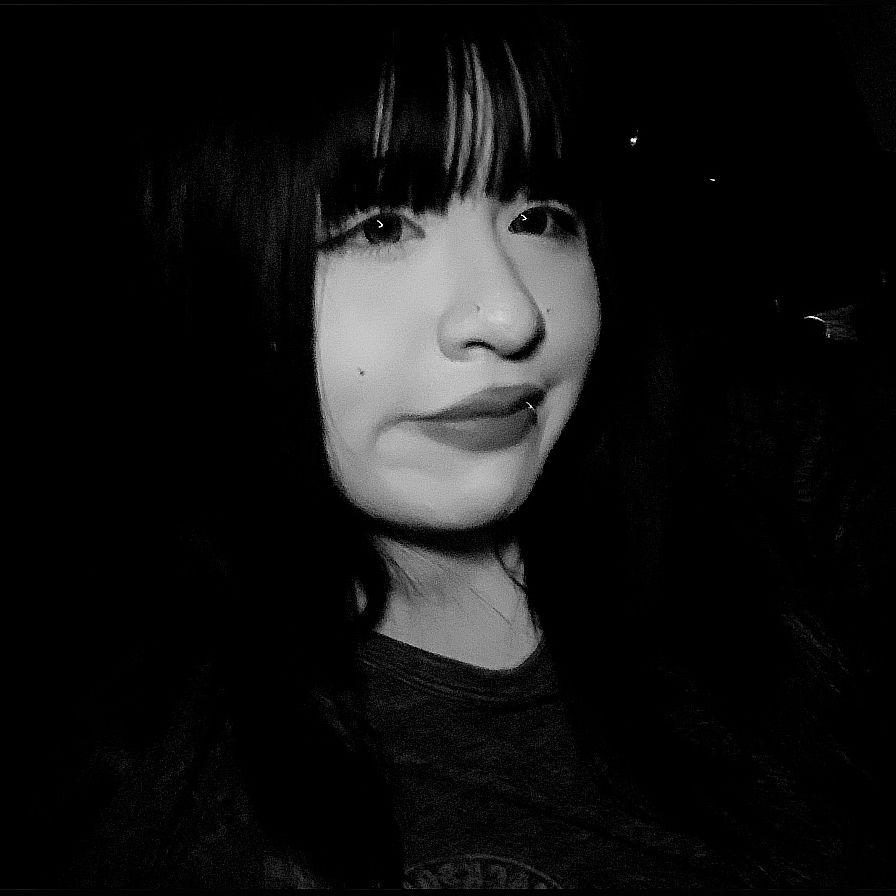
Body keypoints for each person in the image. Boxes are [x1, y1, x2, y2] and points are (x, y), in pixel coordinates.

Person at [32, 8, 893, 889]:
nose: (511, 314)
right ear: (206, 278)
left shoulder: (776, 499)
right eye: (379, 227)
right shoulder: (149, 785)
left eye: (541, 216)